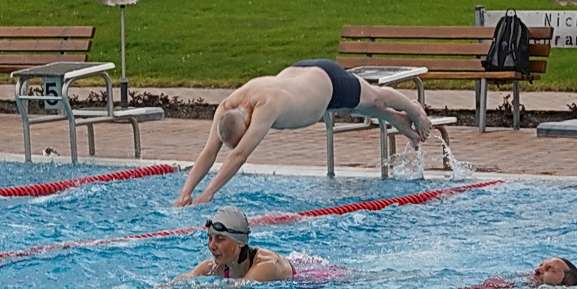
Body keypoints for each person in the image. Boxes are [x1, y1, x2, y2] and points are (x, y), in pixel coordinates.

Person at [175, 61, 435, 207]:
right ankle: (400, 121)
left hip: (325, 80)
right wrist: (186, 192)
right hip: (303, 79)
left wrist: (209, 192)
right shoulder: (226, 107)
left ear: (248, 121)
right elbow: (209, 151)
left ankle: (413, 108)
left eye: (245, 135)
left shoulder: (266, 106)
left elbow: (240, 155)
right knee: (361, 106)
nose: (246, 139)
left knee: (375, 99)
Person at [179, 207, 293, 284]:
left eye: (220, 239)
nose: (211, 246)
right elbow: (188, 277)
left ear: (240, 242)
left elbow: (238, 288)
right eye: (210, 238)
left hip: (302, 281)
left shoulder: (268, 264)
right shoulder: (216, 266)